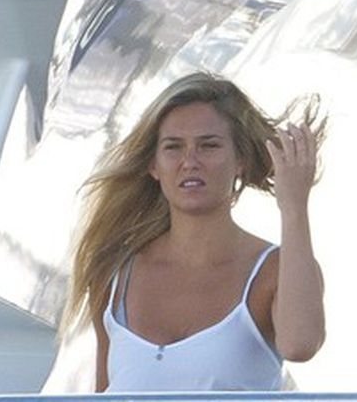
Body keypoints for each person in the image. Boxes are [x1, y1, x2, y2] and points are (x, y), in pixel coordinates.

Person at [61, 72, 326, 392]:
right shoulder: (114, 275)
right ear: (153, 165)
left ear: (240, 160)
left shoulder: (274, 271)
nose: (190, 161)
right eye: (173, 147)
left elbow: (300, 344)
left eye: (208, 146)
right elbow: (105, 395)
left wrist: (294, 207)